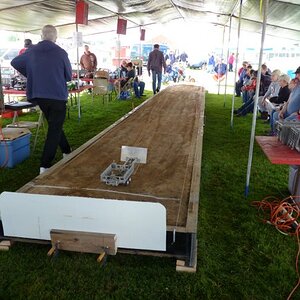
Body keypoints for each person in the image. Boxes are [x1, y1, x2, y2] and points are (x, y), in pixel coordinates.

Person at [11, 25, 72, 175]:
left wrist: (32, 74)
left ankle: (67, 151)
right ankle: (45, 165)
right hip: (57, 95)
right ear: (55, 37)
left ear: (41, 36)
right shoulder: (61, 52)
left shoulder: (31, 50)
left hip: (39, 95)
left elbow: (15, 62)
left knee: (54, 125)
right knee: (54, 128)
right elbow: (69, 76)